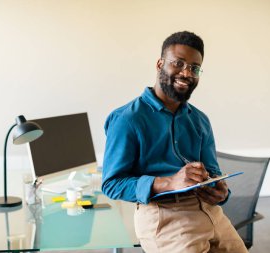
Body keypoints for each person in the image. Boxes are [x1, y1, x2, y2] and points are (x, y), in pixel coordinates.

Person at [102, 31, 248, 253]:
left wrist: (220, 191)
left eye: (194, 67)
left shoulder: (200, 120)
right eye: (178, 63)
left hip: (210, 213)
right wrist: (169, 182)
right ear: (160, 64)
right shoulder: (127, 119)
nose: (187, 73)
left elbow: (213, 171)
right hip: (164, 215)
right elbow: (112, 184)